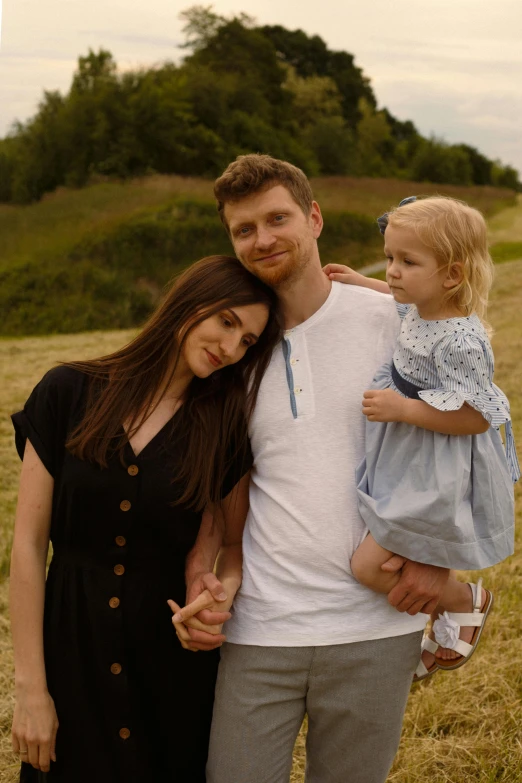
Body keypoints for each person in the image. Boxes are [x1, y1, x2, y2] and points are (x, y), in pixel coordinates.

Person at [171, 155, 456, 783]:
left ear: (315, 217)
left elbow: (463, 441)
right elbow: (225, 486)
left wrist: (438, 554)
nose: (262, 239)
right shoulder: (232, 346)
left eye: (277, 219)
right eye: (244, 229)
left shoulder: (392, 321)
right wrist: (209, 568)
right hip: (261, 629)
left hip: (373, 627)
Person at [9, 254, 281, 782]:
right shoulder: (66, 391)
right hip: (71, 660)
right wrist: (31, 689)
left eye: (247, 341)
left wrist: (219, 591)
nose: (229, 348)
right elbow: (26, 546)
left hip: (170, 673)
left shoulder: (222, 426)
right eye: (226, 321)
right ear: (189, 302)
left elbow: (230, 547)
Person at [323, 196, 518, 679]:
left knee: (369, 567)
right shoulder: (423, 303)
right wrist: (359, 282)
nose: (392, 272)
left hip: (436, 462)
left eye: (407, 262)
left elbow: (476, 418)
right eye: (389, 258)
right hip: (410, 450)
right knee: (379, 556)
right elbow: (399, 303)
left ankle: (459, 600)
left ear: (452, 275)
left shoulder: (460, 341)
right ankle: (442, 615)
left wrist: (405, 409)